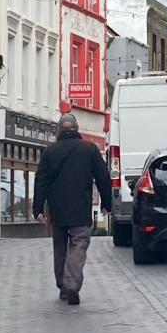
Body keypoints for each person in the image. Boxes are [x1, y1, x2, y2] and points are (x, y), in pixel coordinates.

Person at [33, 113, 111, 306]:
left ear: (59, 130)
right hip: (81, 209)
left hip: (57, 210)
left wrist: (38, 209)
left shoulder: (50, 151)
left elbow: (41, 181)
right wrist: (107, 203)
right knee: (78, 245)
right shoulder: (89, 149)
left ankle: (62, 285)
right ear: (77, 130)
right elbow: (103, 177)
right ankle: (71, 284)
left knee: (60, 246)